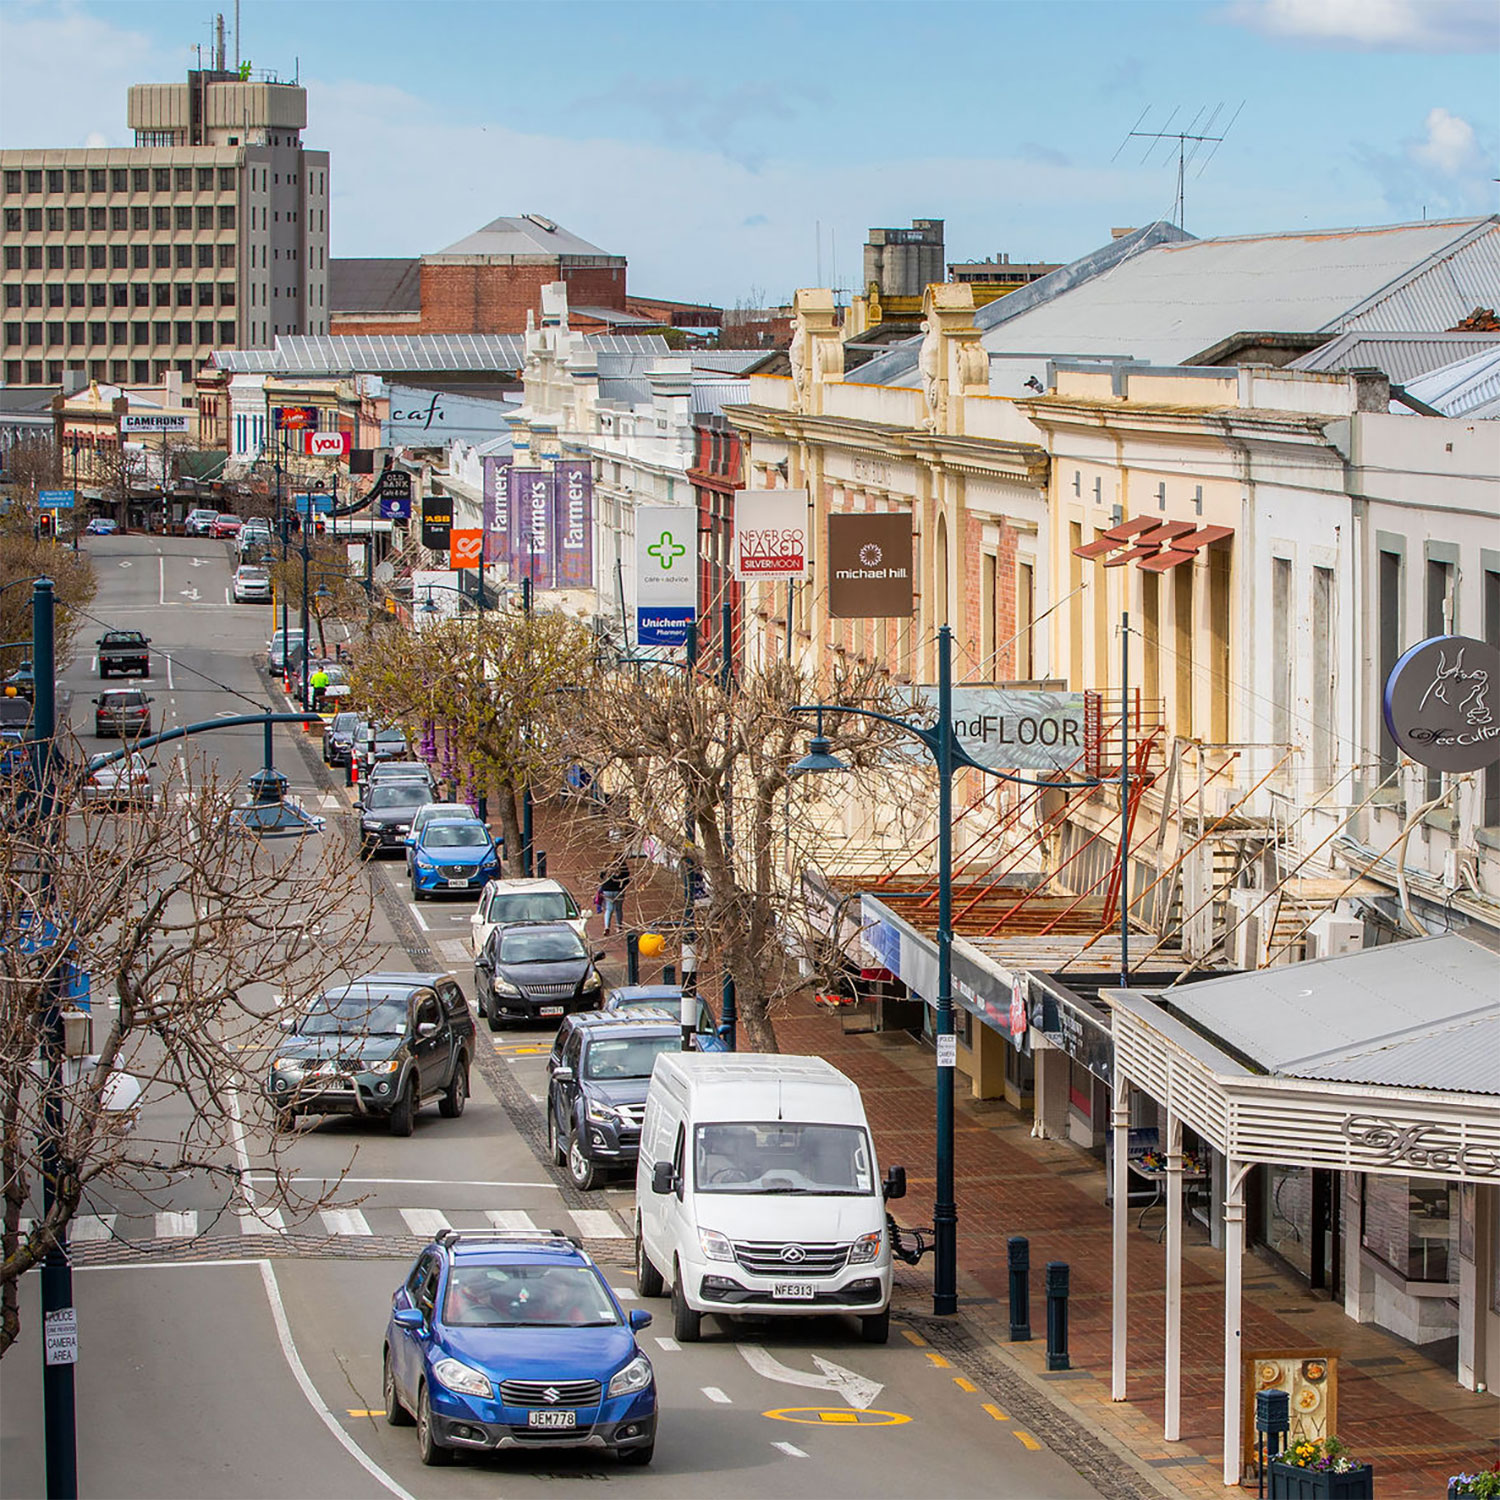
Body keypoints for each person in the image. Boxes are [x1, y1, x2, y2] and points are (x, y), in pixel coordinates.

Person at [597, 855, 631, 935]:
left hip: (607, 889)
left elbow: (601, 875)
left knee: (609, 909)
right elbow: (626, 879)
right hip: (618, 890)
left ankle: (607, 927)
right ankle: (619, 927)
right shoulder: (623, 867)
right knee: (618, 909)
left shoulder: (608, 865)